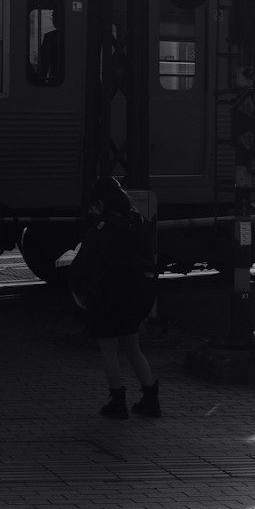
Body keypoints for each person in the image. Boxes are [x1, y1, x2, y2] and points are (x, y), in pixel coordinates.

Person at [70, 176, 161, 418]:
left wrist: (78, 289)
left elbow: (83, 264)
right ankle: (151, 398)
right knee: (133, 347)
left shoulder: (102, 229)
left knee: (109, 350)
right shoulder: (137, 221)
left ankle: (117, 400)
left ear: (100, 203)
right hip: (135, 295)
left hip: (107, 296)